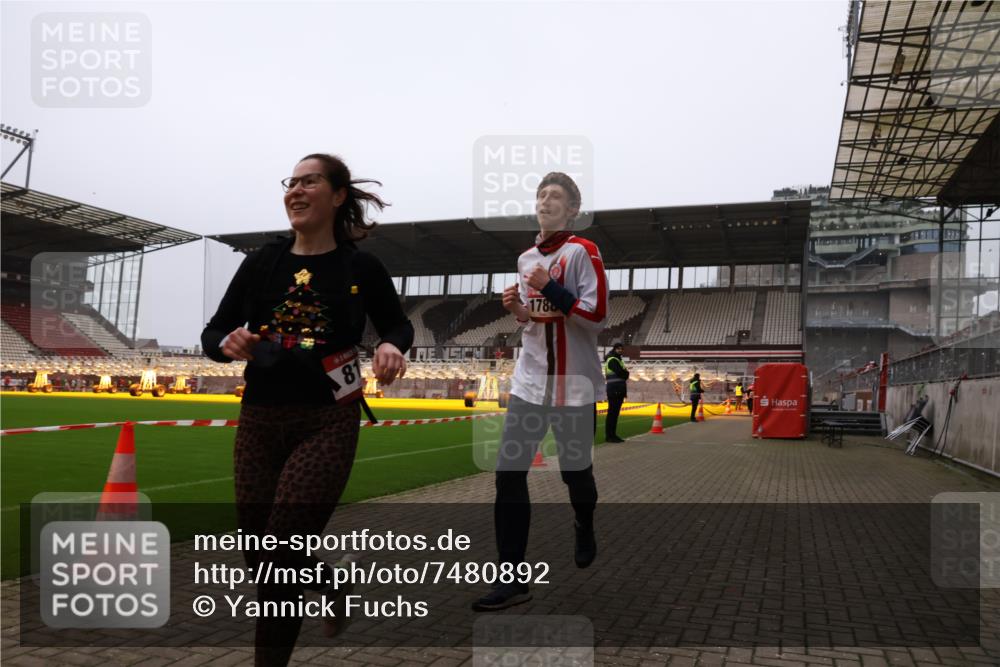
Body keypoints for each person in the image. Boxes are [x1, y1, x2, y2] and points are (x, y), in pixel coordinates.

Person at [201, 154, 412, 666]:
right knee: (260, 557)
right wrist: (226, 342)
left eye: (309, 181)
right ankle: (330, 581)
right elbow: (213, 332)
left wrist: (391, 346)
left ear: (338, 196)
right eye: (290, 182)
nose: (295, 190)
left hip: (327, 420)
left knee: (282, 551)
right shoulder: (262, 264)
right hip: (259, 419)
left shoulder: (361, 266)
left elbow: (397, 324)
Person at [472, 172, 607, 612]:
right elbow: (536, 320)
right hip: (529, 383)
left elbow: (596, 315)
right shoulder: (526, 256)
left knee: (575, 477)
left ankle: (583, 520)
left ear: (572, 210)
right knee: (508, 475)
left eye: (556, 197)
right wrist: (518, 311)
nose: (546, 201)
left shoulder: (583, 252)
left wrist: (548, 286)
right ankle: (512, 578)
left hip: (574, 386)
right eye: (541, 195)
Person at [603, 342, 629, 442]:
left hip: (617, 389)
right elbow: (623, 374)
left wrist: (625, 373)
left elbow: (625, 374)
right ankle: (610, 436)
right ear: (614, 349)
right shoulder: (613, 360)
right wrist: (626, 373)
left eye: (621, 349)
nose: (620, 350)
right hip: (615, 390)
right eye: (618, 349)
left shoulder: (618, 360)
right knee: (612, 414)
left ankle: (612, 435)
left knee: (614, 414)